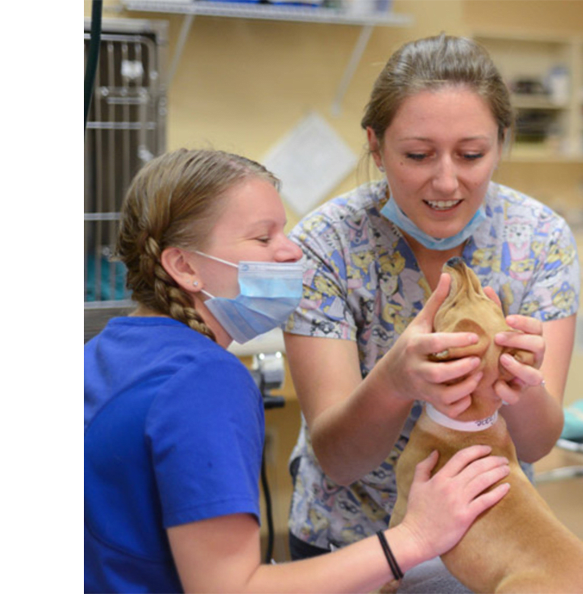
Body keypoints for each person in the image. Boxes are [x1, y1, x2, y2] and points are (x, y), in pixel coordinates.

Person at [84, 148, 512, 593]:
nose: (291, 251)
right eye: (263, 238)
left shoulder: (103, 353)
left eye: (284, 230)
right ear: (184, 266)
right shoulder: (202, 380)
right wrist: (416, 536)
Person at [282, 34, 580, 559]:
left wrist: (522, 384)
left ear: (501, 144)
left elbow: (536, 444)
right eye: (418, 155)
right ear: (375, 146)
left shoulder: (538, 239)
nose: (446, 181)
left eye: (471, 154)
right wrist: (395, 380)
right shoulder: (326, 246)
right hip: (350, 546)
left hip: (487, 542)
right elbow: (339, 459)